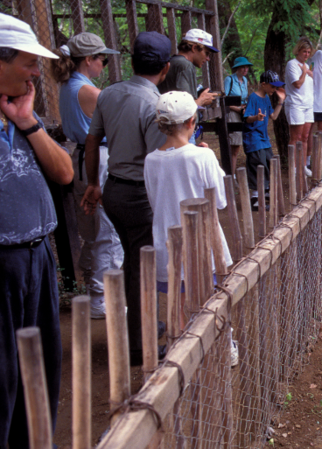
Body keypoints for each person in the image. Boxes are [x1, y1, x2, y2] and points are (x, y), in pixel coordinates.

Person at [0, 13, 73, 448]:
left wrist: (28, 123)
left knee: (42, 364)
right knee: (4, 372)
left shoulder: (21, 116)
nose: (34, 72)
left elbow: (64, 173)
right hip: (3, 263)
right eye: (28, 63)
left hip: (38, 257)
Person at [81, 31, 171, 366]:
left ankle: (141, 325)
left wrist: (93, 183)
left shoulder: (109, 94)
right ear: (165, 68)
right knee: (141, 267)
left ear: (132, 62)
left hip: (113, 189)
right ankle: (138, 345)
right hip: (138, 195)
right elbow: (155, 160)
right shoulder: (153, 104)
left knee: (132, 263)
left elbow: (92, 142)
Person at [52, 32, 123, 319]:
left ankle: (94, 292)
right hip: (99, 160)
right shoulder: (90, 92)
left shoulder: (69, 86)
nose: (103, 65)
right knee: (109, 231)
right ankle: (100, 300)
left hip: (81, 159)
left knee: (93, 230)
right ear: (89, 60)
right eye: (102, 60)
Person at [144, 91, 232, 306]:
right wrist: (211, 161)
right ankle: (223, 342)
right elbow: (220, 201)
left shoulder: (150, 160)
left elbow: (155, 202)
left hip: (168, 245)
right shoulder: (202, 156)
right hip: (203, 244)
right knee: (210, 305)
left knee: (180, 308)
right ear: (192, 121)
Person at [243, 70, 286, 211]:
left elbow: (273, 116)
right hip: (254, 139)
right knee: (258, 165)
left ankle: (266, 190)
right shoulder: (253, 98)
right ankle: (255, 198)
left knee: (269, 162)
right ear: (263, 84)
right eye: (272, 86)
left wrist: (281, 102)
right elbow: (247, 118)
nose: (274, 89)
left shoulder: (267, 98)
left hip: (264, 138)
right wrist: (257, 117)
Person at [158, 28, 218, 109]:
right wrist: (202, 100)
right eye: (206, 53)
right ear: (194, 48)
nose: (208, 58)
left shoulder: (172, 61)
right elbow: (186, 107)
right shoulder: (185, 65)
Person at [284, 37, 314, 177]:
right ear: (298, 51)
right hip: (296, 104)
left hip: (308, 104)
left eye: (308, 52)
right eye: (304, 51)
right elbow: (297, 84)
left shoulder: (306, 66)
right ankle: (293, 167)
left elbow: (312, 80)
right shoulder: (292, 64)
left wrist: (308, 71)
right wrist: (304, 72)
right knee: (295, 137)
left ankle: (303, 166)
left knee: (305, 136)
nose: (306, 54)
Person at [224, 56, 253, 175]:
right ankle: (230, 175)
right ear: (237, 68)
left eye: (246, 67)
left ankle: (232, 175)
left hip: (242, 113)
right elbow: (224, 101)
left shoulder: (245, 81)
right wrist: (238, 109)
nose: (245, 69)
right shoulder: (229, 80)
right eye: (242, 67)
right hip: (232, 114)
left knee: (237, 146)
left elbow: (244, 98)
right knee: (234, 145)